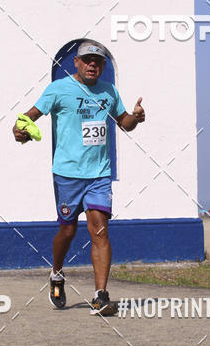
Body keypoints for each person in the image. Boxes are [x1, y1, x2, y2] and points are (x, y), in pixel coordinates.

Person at [13, 40, 145, 315]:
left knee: (100, 230)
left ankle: (100, 296)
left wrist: (136, 117)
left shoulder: (110, 91)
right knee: (68, 231)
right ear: (76, 62)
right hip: (67, 174)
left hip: (99, 173)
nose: (92, 65)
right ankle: (57, 273)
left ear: (103, 66)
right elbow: (27, 118)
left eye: (98, 61)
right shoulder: (58, 89)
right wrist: (20, 131)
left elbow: (124, 123)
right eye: (87, 60)